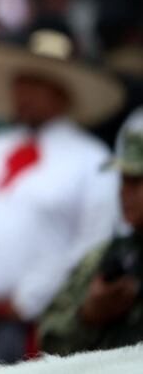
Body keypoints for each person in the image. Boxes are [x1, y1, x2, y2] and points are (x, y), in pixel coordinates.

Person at [0, 29, 125, 368]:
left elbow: (92, 242)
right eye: (21, 83)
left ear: (62, 93)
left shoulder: (91, 159)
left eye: (37, 85)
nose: (24, 94)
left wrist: (32, 297)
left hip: (47, 319)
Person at [38, 108, 143, 355]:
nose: (123, 193)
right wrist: (90, 315)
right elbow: (49, 340)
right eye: (122, 180)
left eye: (136, 182)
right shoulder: (103, 256)